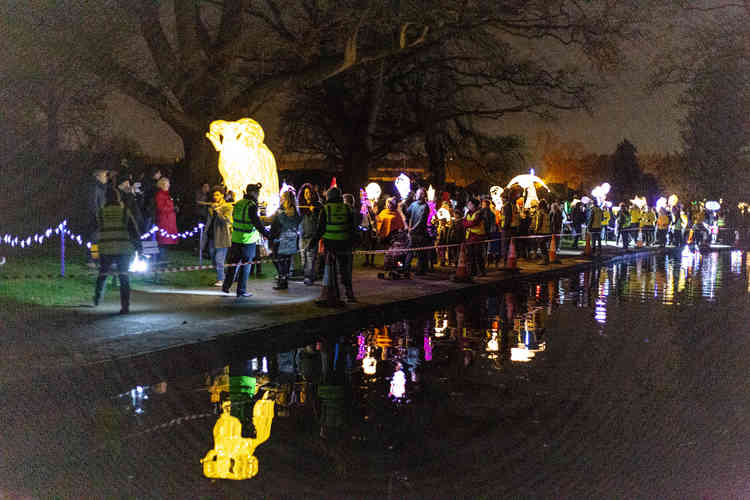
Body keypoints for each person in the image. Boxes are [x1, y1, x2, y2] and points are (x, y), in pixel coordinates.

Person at [93, 187, 140, 314]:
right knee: (123, 276)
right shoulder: (125, 212)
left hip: (105, 248)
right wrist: (139, 248)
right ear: (118, 198)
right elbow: (133, 230)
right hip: (123, 249)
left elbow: (94, 233)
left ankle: (97, 298)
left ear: (106, 198)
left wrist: (94, 253)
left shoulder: (101, 212)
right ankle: (125, 306)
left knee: (102, 274)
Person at [223, 183, 271, 297]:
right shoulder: (252, 205)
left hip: (235, 239)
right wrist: (268, 234)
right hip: (248, 241)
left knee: (232, 265)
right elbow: (257, 223)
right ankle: (241, 290)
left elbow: (234, 217)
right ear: (254, 193)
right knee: (246, 266)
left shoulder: (238, 203)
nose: (258, 195)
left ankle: (226, 286)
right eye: (258, 193)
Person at [315, 186, 357, 305]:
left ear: (328, 197)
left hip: (330, 245)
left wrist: (313, 243)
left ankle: (334, 295)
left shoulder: (326, 209)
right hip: (344, 244)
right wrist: (352, 243)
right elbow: (352, 228)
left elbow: (320, 229)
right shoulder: (347, 208)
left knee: (330, 270)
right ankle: (350, 295)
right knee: (345, 271)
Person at [270, 191, 302, 290]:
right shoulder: (293, 210)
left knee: (279, 260)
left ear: (286, 199)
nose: (281, 199)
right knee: (284, 261)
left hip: (283, 239)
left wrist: (279, 215)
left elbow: (284, 222)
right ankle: (283, 281)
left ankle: (282, 280)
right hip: (288, 238)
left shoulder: (288, 211)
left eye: (283, 197)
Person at [206, 187, 233, 286]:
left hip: (222, 236)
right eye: (214, 195)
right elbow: (210, 221)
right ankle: (228, 276)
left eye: (217, 195)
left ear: (222, 195)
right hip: (212, 236)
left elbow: (227, 221)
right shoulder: (212, 206)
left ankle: (221, 280)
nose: (215, 197)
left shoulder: (228, 207)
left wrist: (218, 211)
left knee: (219, 259)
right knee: (213, 259)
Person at [297, 183, 322, 286]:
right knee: (303, 259)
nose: (307, 195)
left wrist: (314, 211)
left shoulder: (318, 206)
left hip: (312, 236)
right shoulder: (300, 207)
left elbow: (321, 220)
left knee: (311, 258)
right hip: (302, 236)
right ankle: (307, 275)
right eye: (305, 193)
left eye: (309, 193)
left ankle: (309, 277)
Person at [404, 188, 431, 276]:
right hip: (413, 233)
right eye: (418, 193)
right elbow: (407, 214)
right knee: (410, 251)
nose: (418, 194)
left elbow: (421, 221)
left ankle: (420, 270)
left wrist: (412, 229)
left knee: (420, 253)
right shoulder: (413, 204)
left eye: (420, 193)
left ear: (424, 195)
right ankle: (406, 268)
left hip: (420, 233)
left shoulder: (425, 207)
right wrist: (403, 207)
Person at [86, 169, 108, 266]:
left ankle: (96, 259)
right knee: (94, 240)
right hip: (96, 218)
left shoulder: (102, 188)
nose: (106, 177)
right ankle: (91, 259)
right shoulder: (95, 188)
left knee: (98, 241)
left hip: (101, 217)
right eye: (104, 175)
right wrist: (97, 217)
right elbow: (93, 204)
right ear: (98, 177)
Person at [154, 177, 178, 262]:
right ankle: (161, 261)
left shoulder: (166, 195)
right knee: (162, 242)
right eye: (168, 183)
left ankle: (163, 260)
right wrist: (172, 209)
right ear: (163, 185)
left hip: (168, 222)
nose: (169, 185)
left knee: (165, 243)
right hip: (164, 222)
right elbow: (160, 208)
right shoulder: (160, 195)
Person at [463, 198, 486, 276]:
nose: (468, 206)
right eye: (468, 204)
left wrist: (468, 224)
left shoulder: (479, 213)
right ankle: (473, 272)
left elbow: (474, 223)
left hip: (478, 236)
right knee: (470, 255)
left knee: (478, 255)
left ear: (474, 205)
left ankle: (481, 271)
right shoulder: (468, 213)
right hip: (469, 236)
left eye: (470, 204)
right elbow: (464, 222)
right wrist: (468, 223)